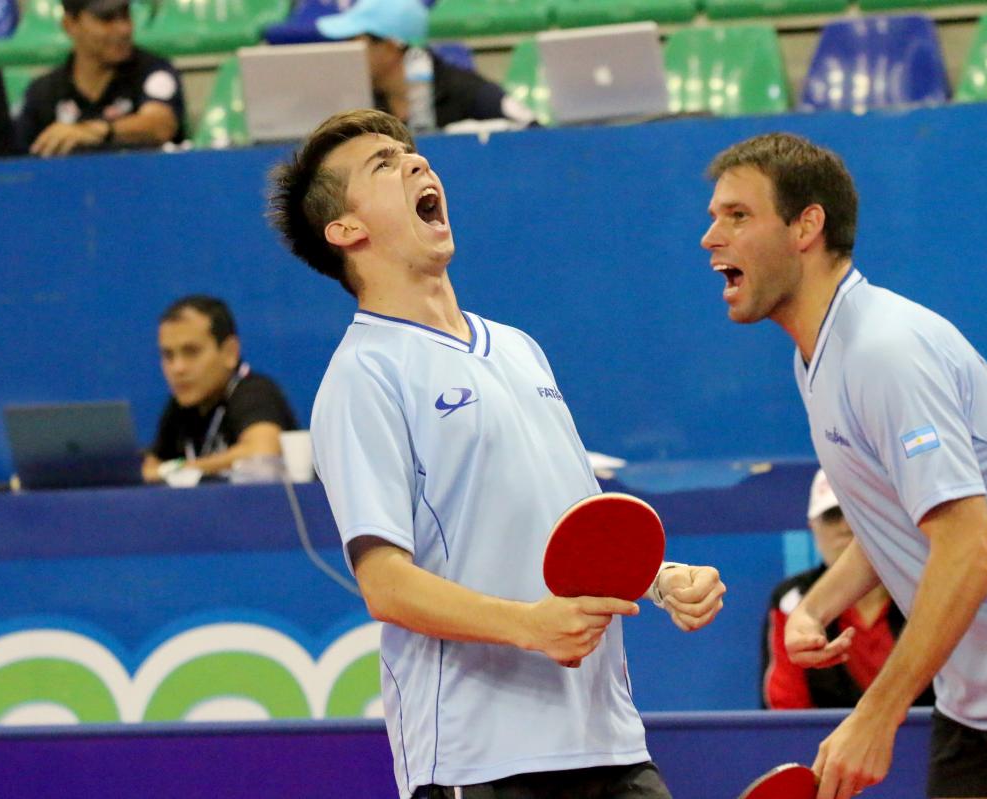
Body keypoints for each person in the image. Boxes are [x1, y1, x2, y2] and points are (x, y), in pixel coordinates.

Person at [267, 108, 725, 799]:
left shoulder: (517, 347)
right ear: (346, 230)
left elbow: (573, 519)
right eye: (384, 165)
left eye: (412, 153)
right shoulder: (363, 375)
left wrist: (659, 578)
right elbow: (385, 584)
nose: (417, 164)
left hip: (610, 742)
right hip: (480, 761)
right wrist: (529, 627)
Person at [701, 133, 987, 799]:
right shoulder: (818, 358)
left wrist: (876, 714)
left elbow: (971, 551)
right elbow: (898, 523)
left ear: (807, 226)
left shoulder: (884, 351)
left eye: (738, 215)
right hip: (974, 693)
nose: (712, 237)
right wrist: (818, 605)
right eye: (714, 217)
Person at [762, 469, 934, 710]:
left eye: (856, 512)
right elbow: (786, 707)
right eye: (832, 515)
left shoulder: (927, 587)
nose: (846, 527)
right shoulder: (792, 600)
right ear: (813, 528)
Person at [315, 0, 536, 132]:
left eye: (354, 40)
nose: (347, 50)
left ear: (390, 46)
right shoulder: (359, 108)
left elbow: (535, 131)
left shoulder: (469, 93)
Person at [144, 295, 298, 484]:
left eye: (191, 352)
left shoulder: (254, 391)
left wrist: (173, 470)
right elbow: (149, 467)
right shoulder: (180, 405)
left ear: (230, 352)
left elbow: (262, 452)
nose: (178, 368)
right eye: (168, 355)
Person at [14, 0, 185, 157]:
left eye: (125, 15)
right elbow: (12, 155)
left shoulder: (153, 70)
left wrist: (95, 131)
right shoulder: (43, 90)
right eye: (107, 18)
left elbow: (160, 125)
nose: (124, 29)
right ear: (70, 25)